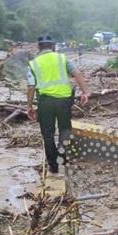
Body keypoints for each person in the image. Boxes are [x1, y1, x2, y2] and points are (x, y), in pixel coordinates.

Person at [26, 35, 90, 174]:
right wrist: (85, 92)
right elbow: (77, 73)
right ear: (53, 46)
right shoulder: (62, 58)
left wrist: (29, 106)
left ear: (38, 47)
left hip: (45, 102)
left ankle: (53, 166)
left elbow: (31, 87)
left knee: (48, 134)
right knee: (64, 129)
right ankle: (62, 156)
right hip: (64, 101)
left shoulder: (33, 63)